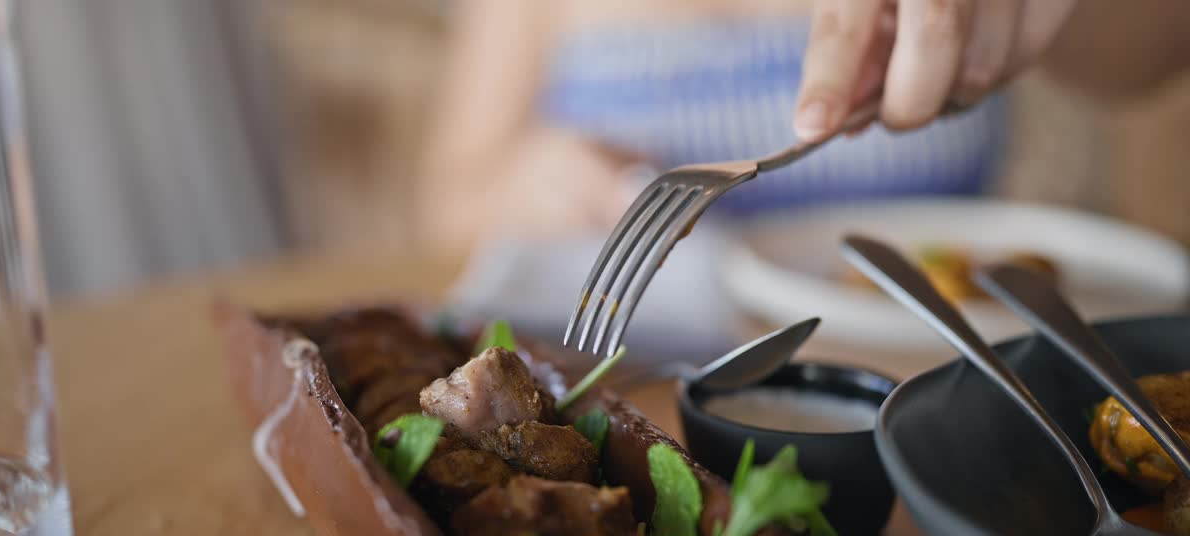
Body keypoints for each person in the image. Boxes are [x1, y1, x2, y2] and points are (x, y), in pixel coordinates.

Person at [419, 0, 1190, 252]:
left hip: (940, 393)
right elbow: (451, 200)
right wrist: (533, 184)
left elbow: (1156, 52)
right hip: (637, 396)